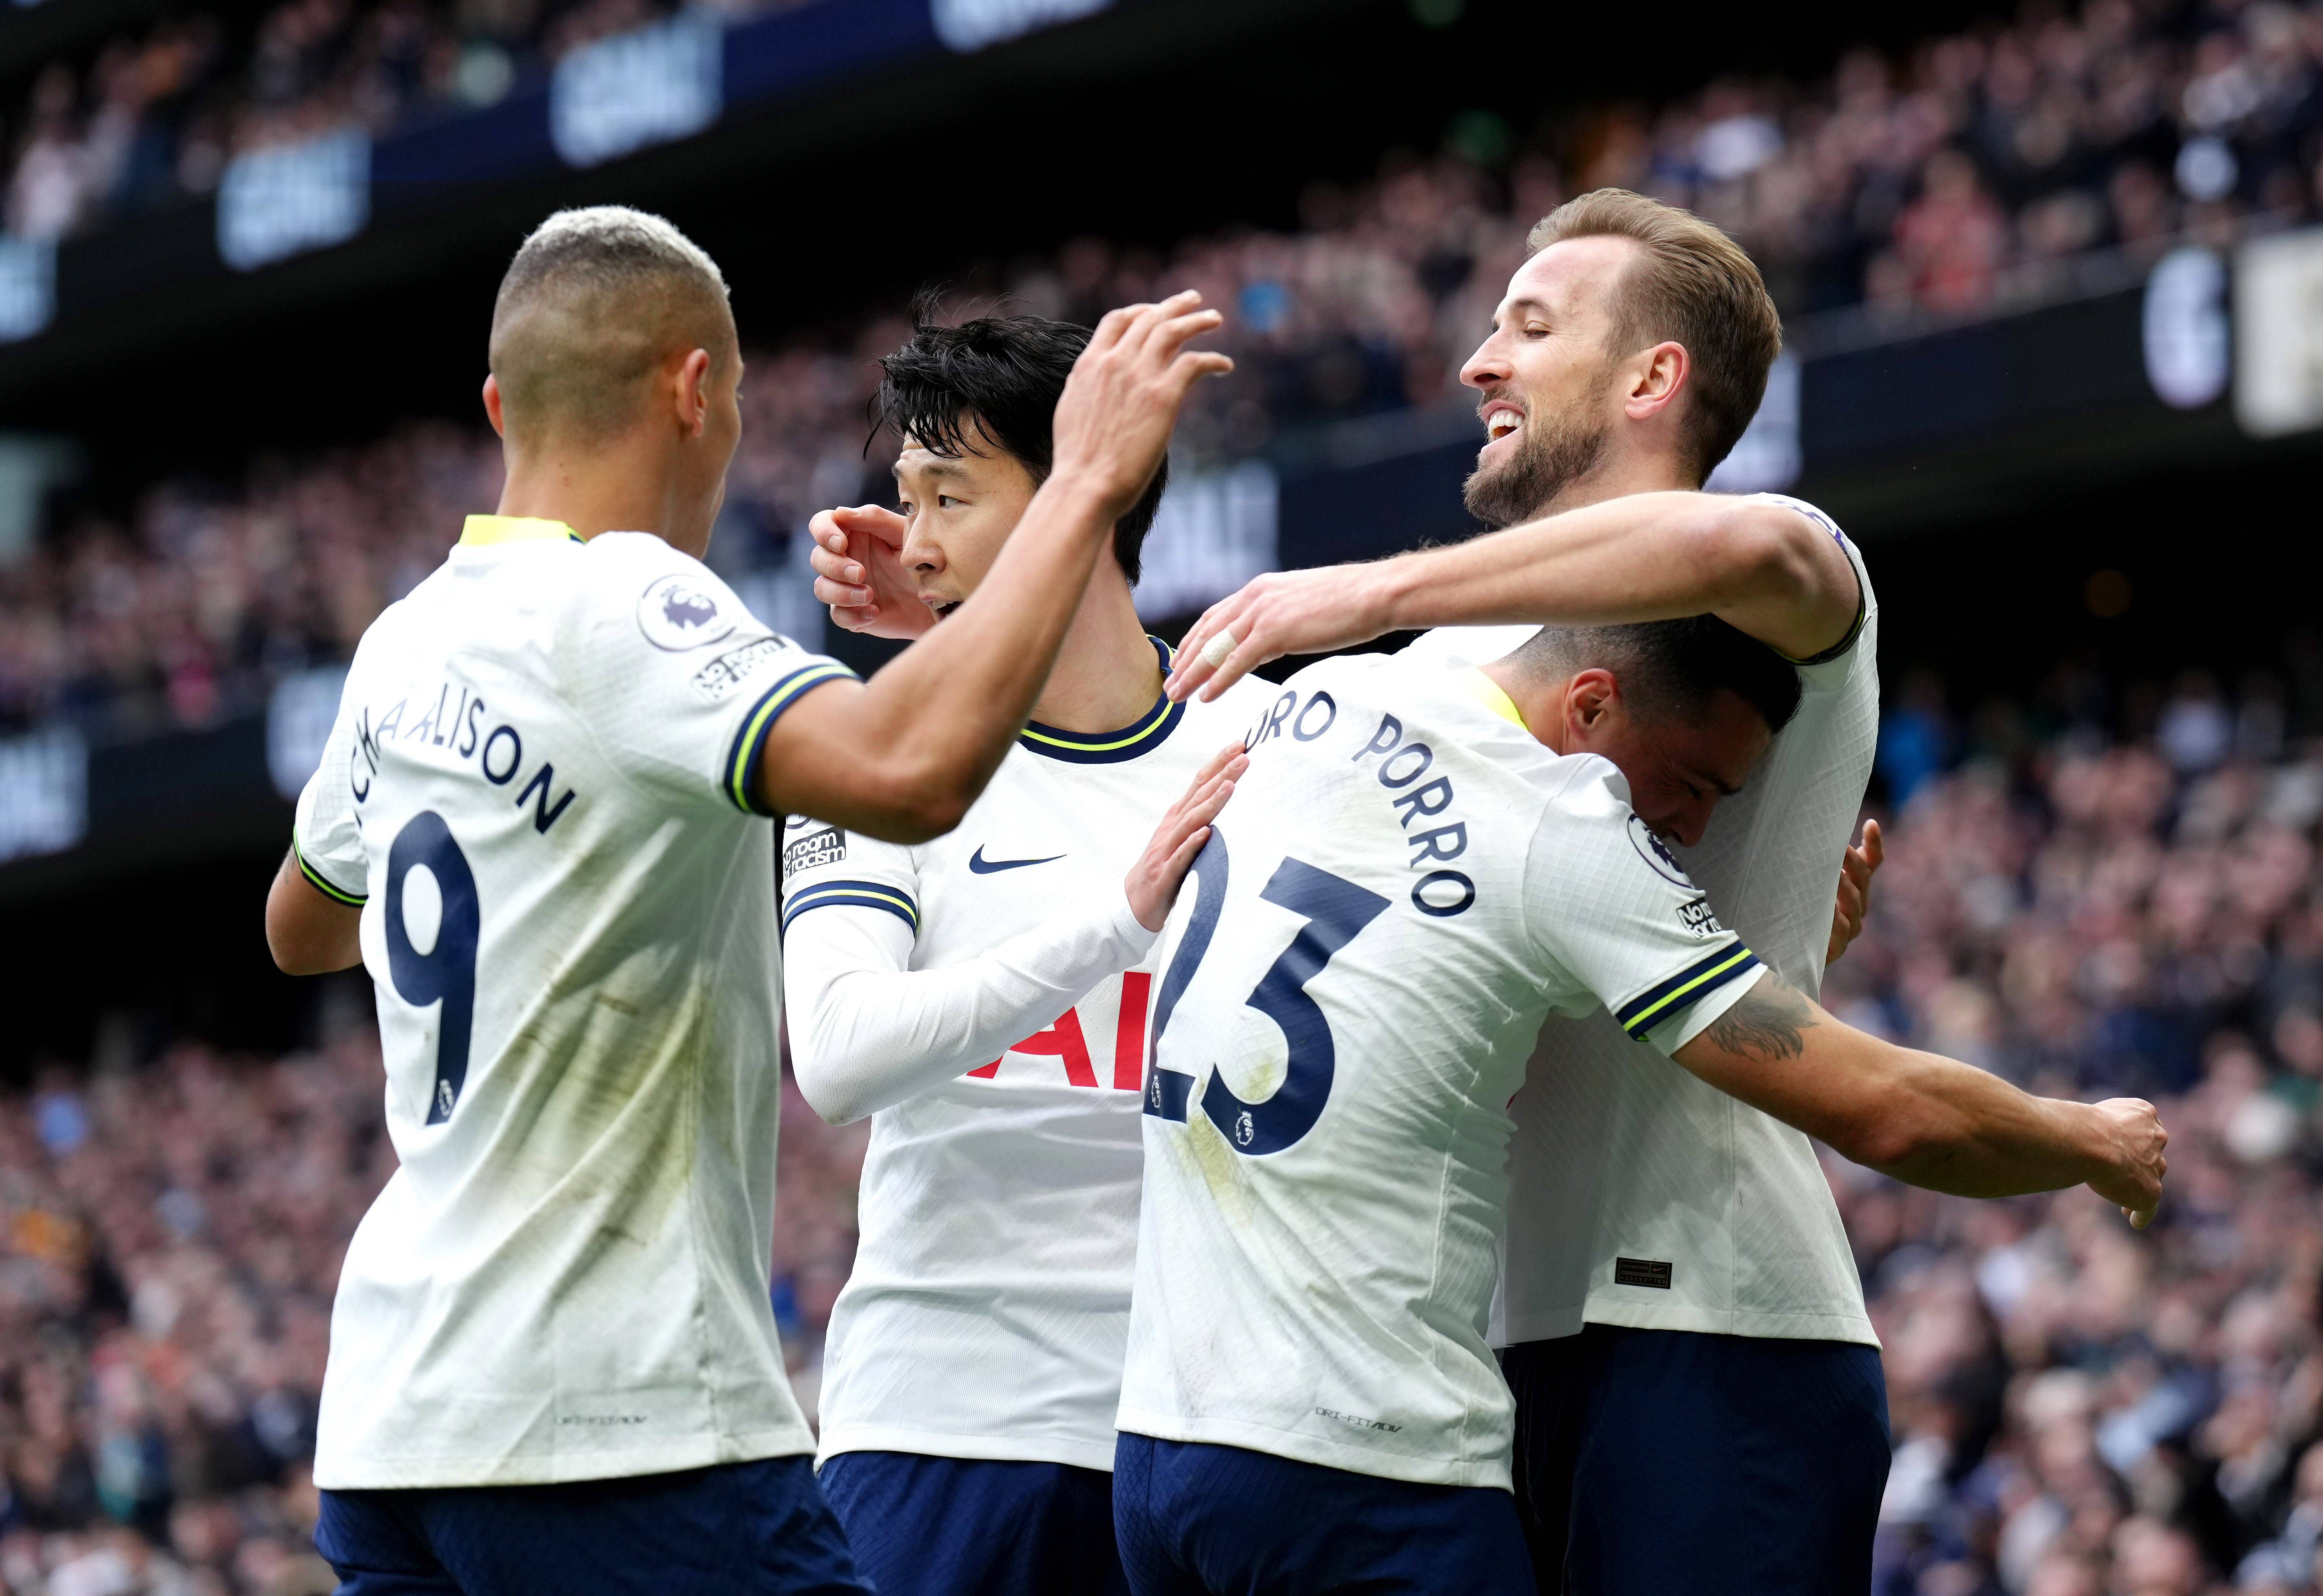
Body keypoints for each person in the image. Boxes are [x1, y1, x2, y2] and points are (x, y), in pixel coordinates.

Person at [260, 207, 1231, 1596]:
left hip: (392, 1426)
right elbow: (905, 775)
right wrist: (1079, 486)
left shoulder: (405, 641)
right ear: (696, 392)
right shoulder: (637, 602)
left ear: (497, 405)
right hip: (611, 1409)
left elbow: (302, 923)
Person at [1158, 188, 1909, 1593]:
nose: (1477, 362)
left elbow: (1751, 550)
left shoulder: (1773, 574)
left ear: (1652, 378)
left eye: (1531, 324)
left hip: (1709, 1329)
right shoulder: (1470, 657)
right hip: (1477, 1358)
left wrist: (1376, 593)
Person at [1114, 617, 2167, 1596]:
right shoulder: (1559, 829)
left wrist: (1771, 961)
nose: (1693, 824)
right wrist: (2087, 1137)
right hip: (1358, 1464)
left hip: (1157, 1450)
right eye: (1691, 781)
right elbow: (1885, 1112)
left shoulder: (1325, 697)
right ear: (1588, 706)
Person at [781, 308, 1278, 1596]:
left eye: (953, 496)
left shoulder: (1274, 743)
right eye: (906, 496)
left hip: (1217, 1426)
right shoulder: (868, 755)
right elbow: (837, 1057)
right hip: (950, 1428)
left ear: (1086, 493)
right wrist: (1116, 920)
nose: (916, 540)